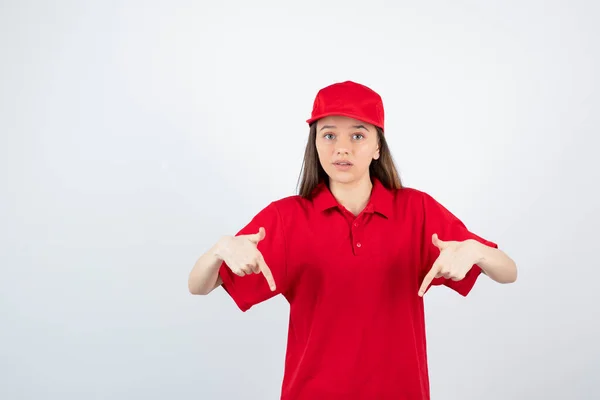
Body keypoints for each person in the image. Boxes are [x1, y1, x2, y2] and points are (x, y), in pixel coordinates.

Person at [188, 80, 517, 400]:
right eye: (328, 135)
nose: (342, 148)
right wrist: (221, 248)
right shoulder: (287, 218)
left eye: (357, 135)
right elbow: (199, 285)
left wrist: (476, 251)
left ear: (377, 147)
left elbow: (508, 271)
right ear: (314, 144)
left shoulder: (416, 211)